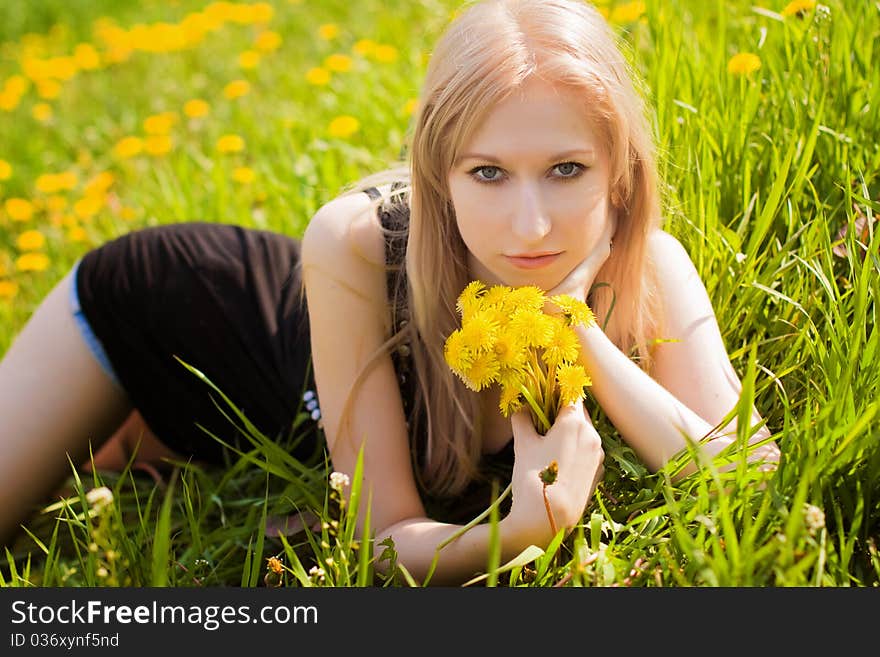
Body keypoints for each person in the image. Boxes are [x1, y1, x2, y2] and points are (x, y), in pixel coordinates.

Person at [0, 0, 779, 585]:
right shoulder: (356, 242)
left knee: (120, 464)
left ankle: (135, 449)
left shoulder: (648, 268)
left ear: (620, 172)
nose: (531, 225)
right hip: (171, 320)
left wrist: (578, 329)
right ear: (439, 175)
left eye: (567, 169)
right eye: (488, 172)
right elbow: (382, 540)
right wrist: (523, 531)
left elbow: (752, 472)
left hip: (266, 414)